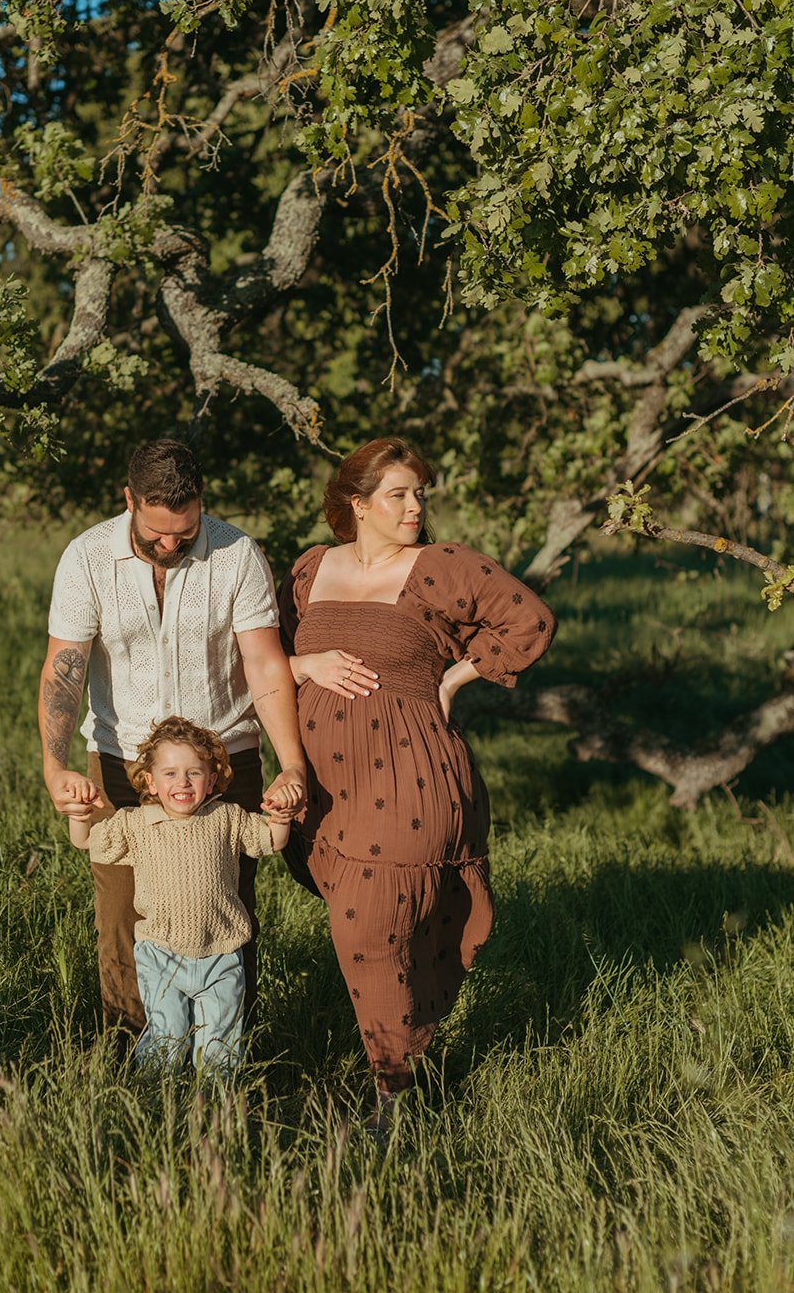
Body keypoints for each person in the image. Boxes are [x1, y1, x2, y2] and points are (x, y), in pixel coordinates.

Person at [277, 436, 556, 1130]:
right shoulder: (312, 570)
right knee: (386, 936)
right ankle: (408, 1058)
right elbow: (268, 656)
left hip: (409, 779)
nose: (414, 506)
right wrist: (305, 666)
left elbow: (530, 620)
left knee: (368, 934)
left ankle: (393, 1100)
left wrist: (455, 678)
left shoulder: (441, 566)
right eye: (399, 494)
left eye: (420, 493)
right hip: (323, 791)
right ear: (355, 504)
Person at [39, 437, 306, 1036]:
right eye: (155, 533)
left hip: (223, 763)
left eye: (183, 534)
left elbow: (265, 665)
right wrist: (55, 766)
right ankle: (133, 1055)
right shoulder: (86, 558)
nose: (169, 545)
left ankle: (225, 1060)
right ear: (128, 499)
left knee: (225, 913)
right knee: (122, 915)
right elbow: (65, 668)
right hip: (122, 761)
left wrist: (291, 763)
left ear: (201, 504)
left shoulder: (237, 554)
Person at [67, 716, 293, 1075]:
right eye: (169, 773)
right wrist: (78, 814)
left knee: (221, 1046)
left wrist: (282, 816)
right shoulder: (136, 823)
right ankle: (158, 1103)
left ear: (212, 779)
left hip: (221, 953)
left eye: (194, 773)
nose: (182, 782)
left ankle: (219, 1113)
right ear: (150, 782)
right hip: (161, 955)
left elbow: (271, 841)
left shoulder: (227, 818)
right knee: (166, 1038)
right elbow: (85, 842)